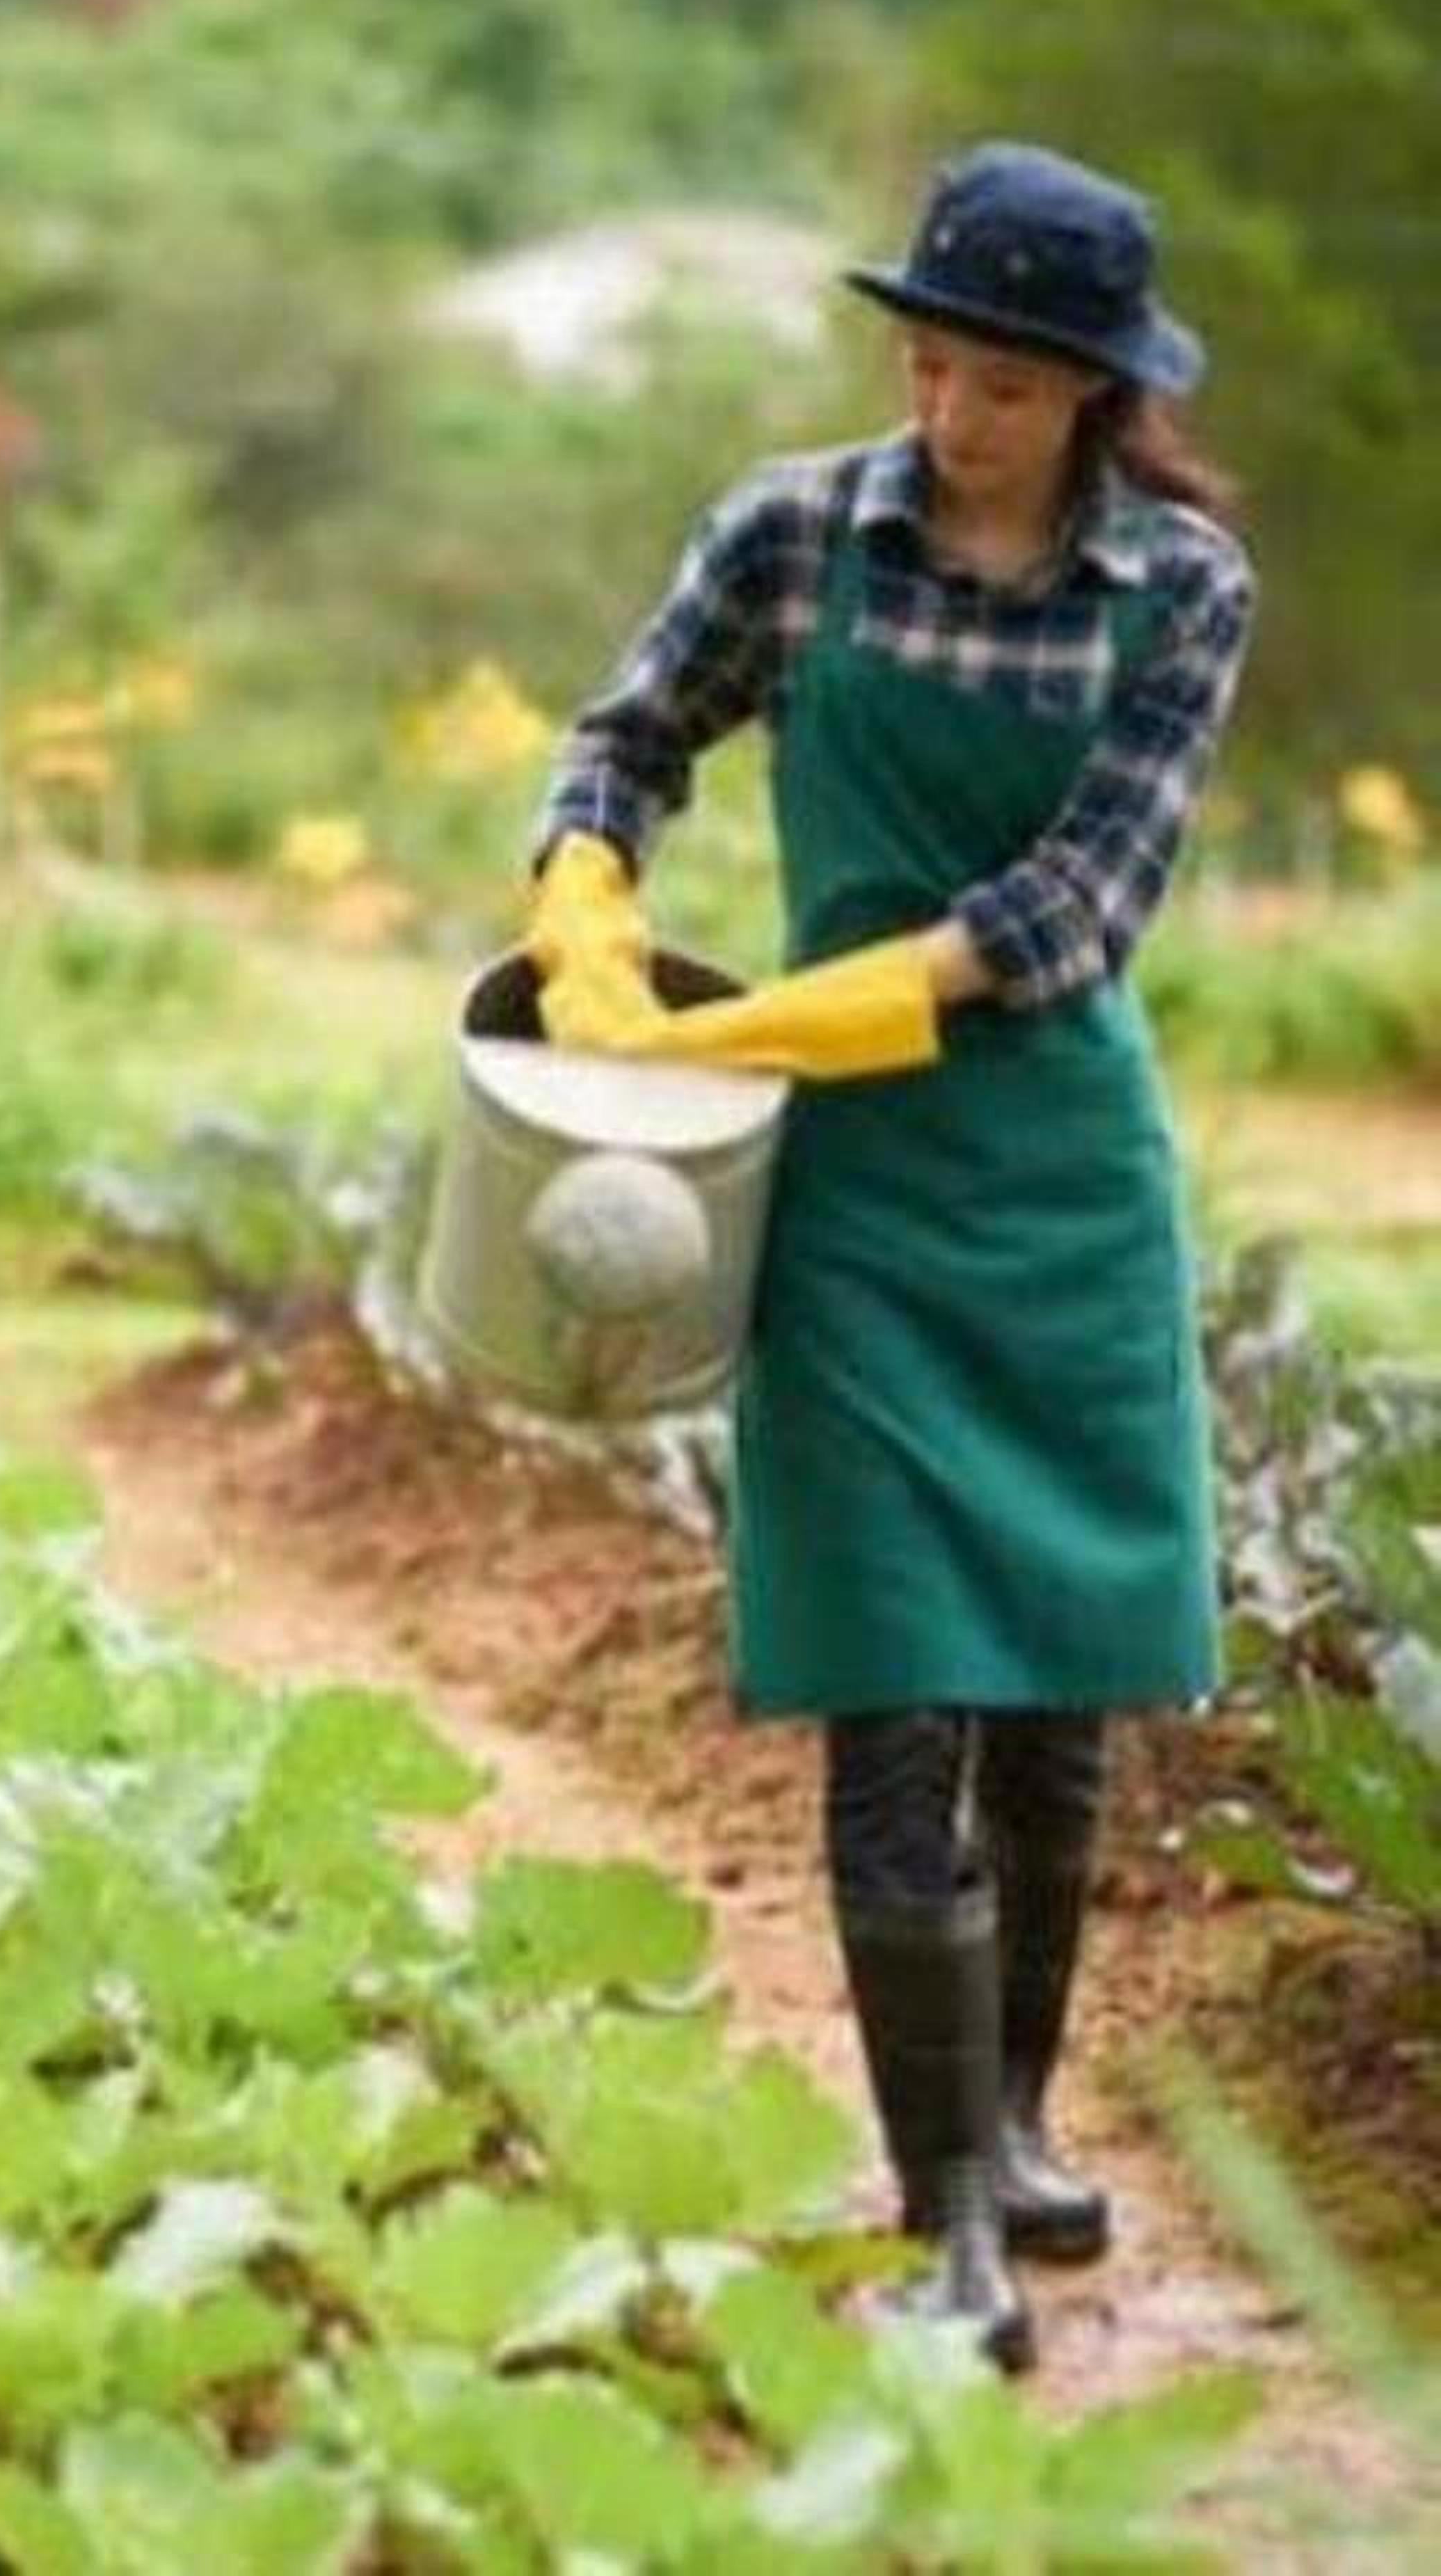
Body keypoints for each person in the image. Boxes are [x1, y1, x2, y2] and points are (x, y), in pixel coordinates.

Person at [518, 143, 1255, 2370]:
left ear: (1100, 398)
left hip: (1049, 1178)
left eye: (1005, 390)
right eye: (928, 364)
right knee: (892, 1681)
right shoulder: (791, 536)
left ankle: (1016, 2122)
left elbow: (1067, 918)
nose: (950, 418)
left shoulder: (1180, 593)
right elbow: (626, 734)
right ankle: (938, 2214)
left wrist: (761, 1019)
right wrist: (585, 892)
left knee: (1053, 1688)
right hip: (834, 1199)